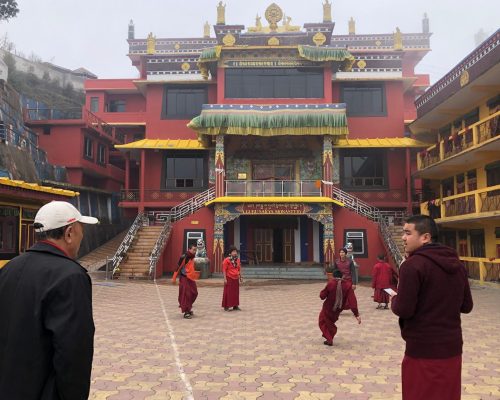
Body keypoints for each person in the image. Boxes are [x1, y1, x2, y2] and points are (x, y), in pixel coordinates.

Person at [0, 201, 98, 400]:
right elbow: (73, 354)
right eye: (81, 231)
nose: (82, 237)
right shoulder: (71, 277)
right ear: (69, 233)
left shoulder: (9, 268)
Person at [391, 215, 473, 400]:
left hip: (423, 349)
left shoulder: (412, 265)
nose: (403, 238)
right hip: (452, 348)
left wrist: (394, 300)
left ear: (425, 237)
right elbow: (467, 306)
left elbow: (404, 309)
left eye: (407, 233)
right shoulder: (457, 264)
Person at [319, 270, 361, 346]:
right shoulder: (348, 285)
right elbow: (352, 301)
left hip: (328, 308)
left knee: (322, 322)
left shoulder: (331, 283)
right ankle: (329, 337)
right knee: (330, 323)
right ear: (342, 276)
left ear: (333, 276)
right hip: (338, 309)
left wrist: (322, 292)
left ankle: (329, 338)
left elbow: (322, 296)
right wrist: (356, 314)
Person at [176, 244, 198, 319]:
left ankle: (188, 307)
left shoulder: (192, 257)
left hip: (191, 278)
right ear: (189, 249)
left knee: (194, 293)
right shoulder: (184, 256)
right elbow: (178, 266)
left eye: (195, 250)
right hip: (184, 278)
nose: (195, 251)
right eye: (193, 249)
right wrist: (174, 277)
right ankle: (186, 312)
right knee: (186, 294)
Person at [222, 245, 242, 311]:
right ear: (230, 253)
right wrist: (225, 279)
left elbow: (239, 269)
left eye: (236, 251)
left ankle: (235, 306)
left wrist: (240, 277)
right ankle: (226, 306)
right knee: (228, 292)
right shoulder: (226, 260)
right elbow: (224, 270)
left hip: (236, 278)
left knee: (236, 293)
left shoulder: (238, 260)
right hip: (229, 278)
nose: (235, 253)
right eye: (233, 251)